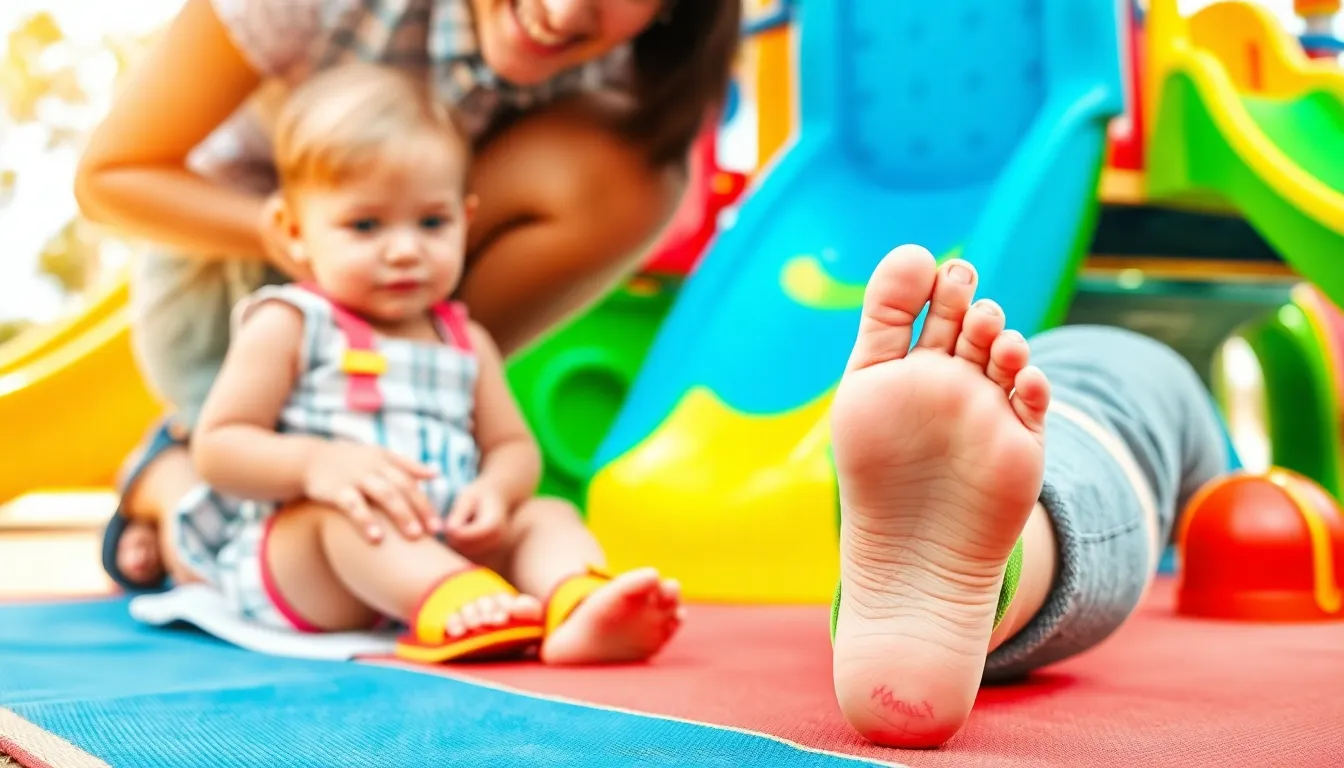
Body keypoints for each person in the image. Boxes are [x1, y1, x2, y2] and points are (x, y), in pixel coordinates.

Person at [73, 0, 741, 591]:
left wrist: (497, 489)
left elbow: (512, 451)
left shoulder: (619, 78)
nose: (565, 13)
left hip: (401, 344)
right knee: (261, 538)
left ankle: (569, 590)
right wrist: (299, 238)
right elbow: (109, 175)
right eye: (378, 229)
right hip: (235, 283)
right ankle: (167, 474)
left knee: (637, 165)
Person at [166, 62, 681, 664]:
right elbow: (220, 445)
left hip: (447, 542)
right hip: (316, 562)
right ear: (294, 231)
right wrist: (316, 464)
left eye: (433, 222)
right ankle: (450, 597)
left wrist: (494, 489)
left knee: (547, 511)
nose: (406, 249)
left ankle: (577, 602)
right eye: (365, 225)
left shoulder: (464, 339)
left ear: (465, 219)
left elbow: (512, 446)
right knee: (343, 518)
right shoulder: (291, 321)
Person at [827, 245, 1227, 748]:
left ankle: (999, 573)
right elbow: (1219, 524)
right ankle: (999, 584)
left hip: (1044, 417)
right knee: (1068, 488)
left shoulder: (1006, 373)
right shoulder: (1184, 392)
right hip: (1110, 440)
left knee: (1033, 479)